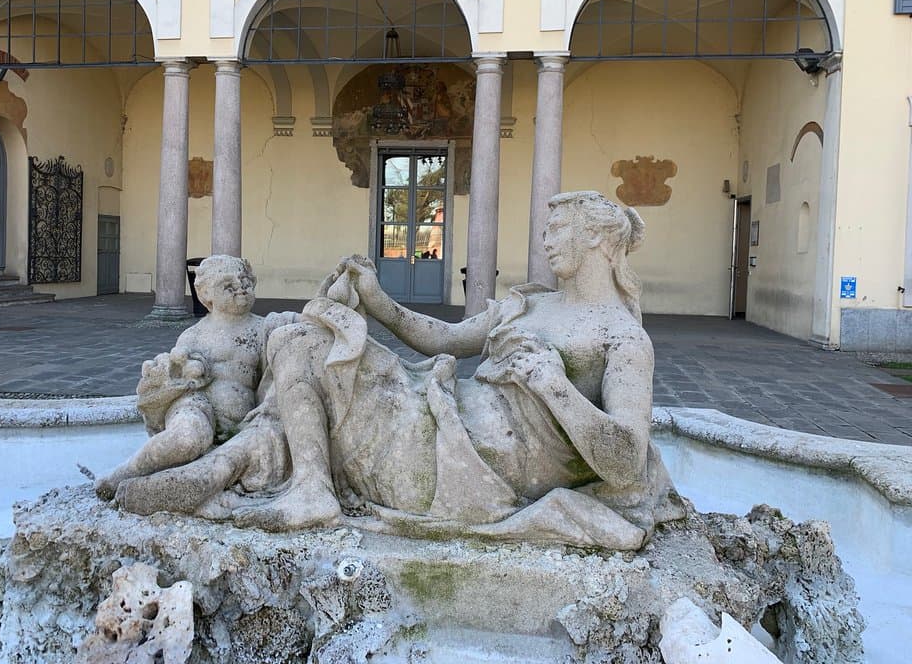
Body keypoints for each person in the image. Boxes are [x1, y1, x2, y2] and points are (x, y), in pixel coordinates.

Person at [114, 194, 682, 549]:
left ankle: (234, 470)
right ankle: (273, 478)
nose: (545, 241)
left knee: (300, 343)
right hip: (441, 410)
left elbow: (626, 463)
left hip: (469, 462)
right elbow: (446, 339)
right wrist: (376, 299)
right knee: (300, 334)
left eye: (556, 230)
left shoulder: (622, 339)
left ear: (595, 238)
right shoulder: (529, 304)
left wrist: (555, 388)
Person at [95, 256, 295, 500]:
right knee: (188, 437)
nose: (241, 288)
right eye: (228, 285)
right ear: (206, 294)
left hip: (240, 422)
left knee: (217, 459)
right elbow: (176, 374)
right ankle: (124, 473)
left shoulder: (265, 329)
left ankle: (157, 486)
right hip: (195, 404)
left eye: (245, 282)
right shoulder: (194, 335)